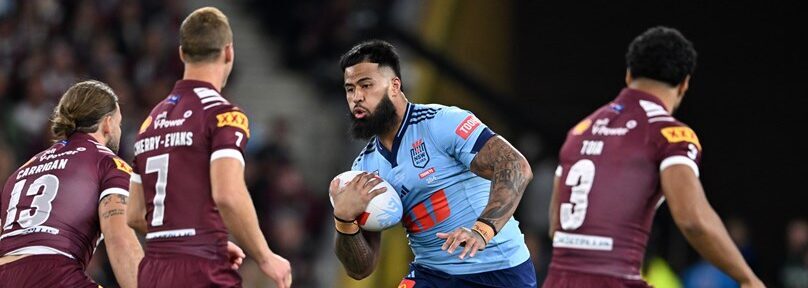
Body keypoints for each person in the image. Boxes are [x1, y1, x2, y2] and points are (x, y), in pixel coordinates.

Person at [544, 26, 764, 288]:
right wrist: (747, 278)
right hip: (615, 280)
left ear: (628, 75)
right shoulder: (670, 133)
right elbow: (692, 219)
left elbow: (555, 224)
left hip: (556, 280)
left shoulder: (579, 131)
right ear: (684, 84)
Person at [330, 40, 536, 287]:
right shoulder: (364, 169)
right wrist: (343, 219)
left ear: (395, 86)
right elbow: (361, 269)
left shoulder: (441, 123)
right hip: (432, 274)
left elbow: (515, 166)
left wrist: (482, 230)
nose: (357, 97)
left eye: (366, 85)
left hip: (498, 271)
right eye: (350, 89)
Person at [126, 7, 291, 288]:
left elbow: (134, 214)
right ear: (229, 52)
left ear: (182, 53)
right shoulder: (222, 115)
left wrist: (197, 238)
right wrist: (264, 256)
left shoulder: (150, 122)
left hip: (153, 271)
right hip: (201, 271)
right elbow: (228, 194)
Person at [0, 80, 143, 287]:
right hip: (53, 273)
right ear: (108, 123)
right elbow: (120, 239)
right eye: (119, 123)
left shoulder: (21, 171)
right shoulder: (108, 163)